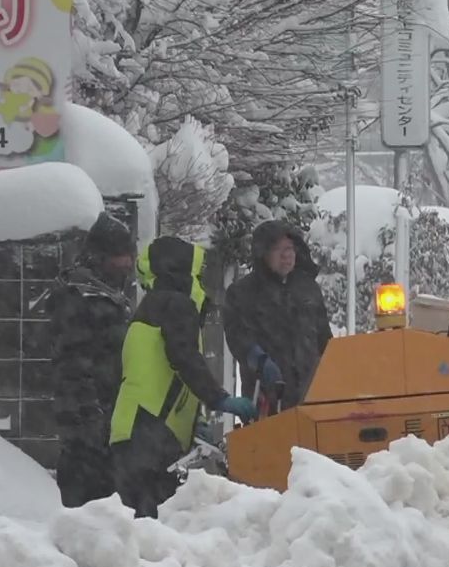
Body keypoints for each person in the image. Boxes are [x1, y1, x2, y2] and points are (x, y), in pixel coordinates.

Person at [109, 236, 256, 518]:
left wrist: (192, 420)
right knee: (151, 527)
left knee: (142, 525)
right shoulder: (175, 305)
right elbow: (183, 357)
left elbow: (160, 371)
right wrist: (220, 399)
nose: (202, 284)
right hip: (149, 431)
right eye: (197, 275)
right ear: (181, 272)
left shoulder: (154, 306)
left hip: (137, 429)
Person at [46, 211, 136, 508]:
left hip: (105, 418)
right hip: (86, 421)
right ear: (100, 256)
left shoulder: (108, 295)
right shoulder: (79, 297)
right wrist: (91, 418)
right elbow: (73, 365)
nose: (126, 263)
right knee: (88, 508)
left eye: (128, 255)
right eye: (120, 256)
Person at [222, 220, 333, 410]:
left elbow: (324, 339)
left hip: (313, 399)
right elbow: (238, 339)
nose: (286, 255)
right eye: (277, 249)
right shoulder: (242, 293)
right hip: (267, 399)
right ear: (263, 253)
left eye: (290, 248)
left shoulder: (308, 289)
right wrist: (259, 361)